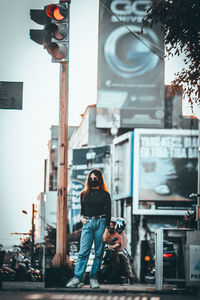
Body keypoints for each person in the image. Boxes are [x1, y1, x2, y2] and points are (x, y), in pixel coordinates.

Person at [66, 169, 111, 289]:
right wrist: (81, 218)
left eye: (95, 178)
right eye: (90, 178)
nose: (92, 180)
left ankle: (94, 279)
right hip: (87, 224)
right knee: (83, 252)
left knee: (98, 253)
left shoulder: (105, 194)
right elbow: (82, 211)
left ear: (100, 179)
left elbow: (108, 213)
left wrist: (107, 230)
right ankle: (77, 278)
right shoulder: (83, 194)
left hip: (101, 223)